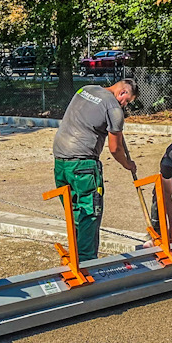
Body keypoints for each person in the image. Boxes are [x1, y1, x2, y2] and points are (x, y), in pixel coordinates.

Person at [52, 79, 139, 261]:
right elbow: (115, 149)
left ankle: (75, 256)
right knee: (89, 213)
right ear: (123, 92)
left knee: (75, 211)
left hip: (61, 162)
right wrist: (127, 164)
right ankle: (86, 262)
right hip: (83, 165)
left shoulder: (86, 89)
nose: (125, 105)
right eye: (128, 101)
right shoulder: (113, 108)